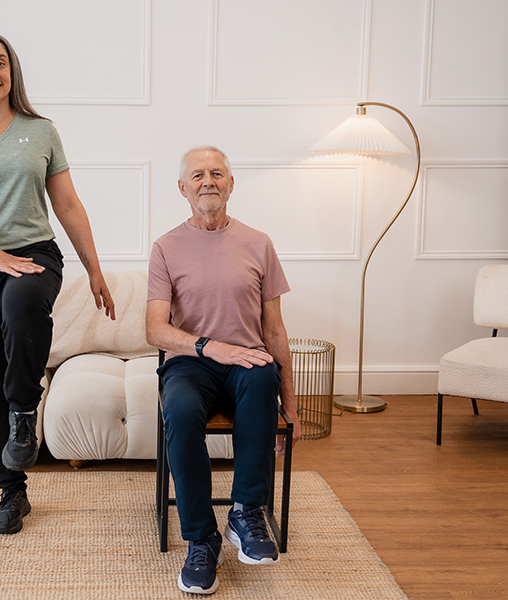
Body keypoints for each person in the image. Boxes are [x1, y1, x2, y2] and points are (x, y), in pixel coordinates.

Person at [0, 32, 115, 536]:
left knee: (22, 302)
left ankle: (25, 407)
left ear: (13, 72)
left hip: (34, 255)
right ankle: (12, 489)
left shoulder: (41, 131)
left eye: (0, 63)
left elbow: (68, 205)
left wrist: (94, 268)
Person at [146, 146, 301, 595]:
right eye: (198, 175)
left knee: (261, 374)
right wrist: (211, 348)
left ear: (231, 184)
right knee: (178, 411)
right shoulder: (166, 247)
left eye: (217, 173)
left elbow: (274, 329)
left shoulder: (259, 243)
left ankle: (246, 511)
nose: (208, 181)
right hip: (191, 366)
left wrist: (288, 404)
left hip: (248, 365)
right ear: (182, 188)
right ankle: (201, 537)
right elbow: (155, 329)